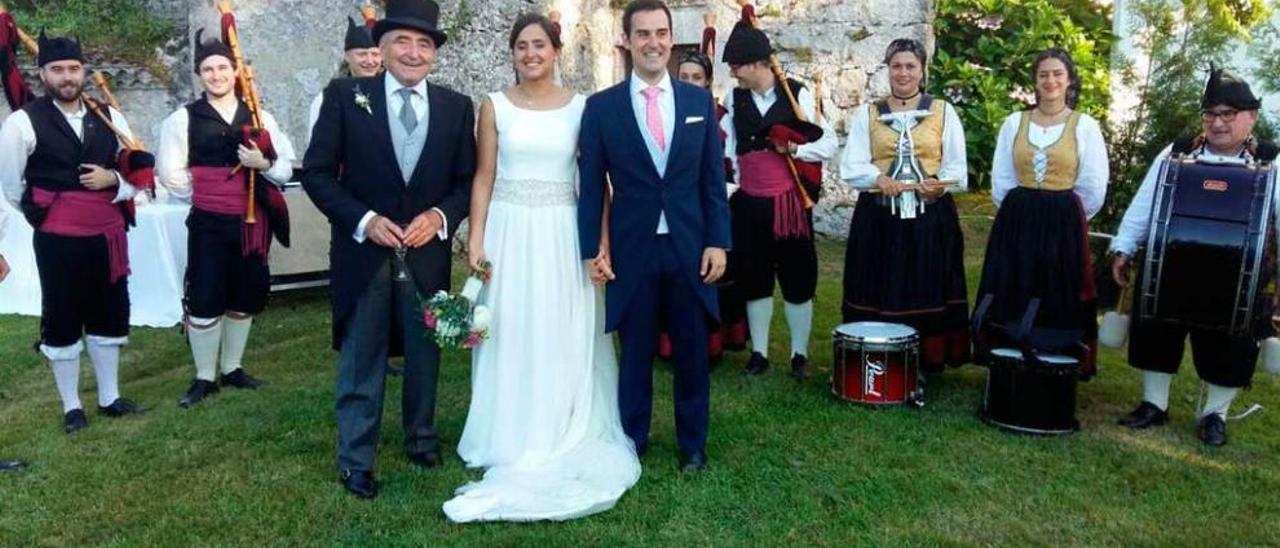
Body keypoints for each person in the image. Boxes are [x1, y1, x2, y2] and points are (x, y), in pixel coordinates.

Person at [442, 14, 640, 522]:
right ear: (513, 53)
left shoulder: (581, 108)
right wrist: (477, 240)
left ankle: (560, 425)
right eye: (522, 46)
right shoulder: (494, 107)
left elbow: (594, 184)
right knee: (511, 328)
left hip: (560, 231)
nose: (530, 54)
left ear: (555, 50)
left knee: (561, 327)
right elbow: (484, 178)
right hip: (509, 231)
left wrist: (600, 246)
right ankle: (507, 431)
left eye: (540, 45)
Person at [303, 0, 475, 499]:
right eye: (403, 40)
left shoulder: (455, 107)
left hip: (426, 254)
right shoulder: (344, 96)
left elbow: (466, 182)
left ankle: (421, 435)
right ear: (380, 47)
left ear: (434, 54)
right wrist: (364, 220)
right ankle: (356, 456)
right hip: (364, 254)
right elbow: (316, 173)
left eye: (424, 43)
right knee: (363, 353)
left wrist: (439, 218)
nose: (413, 52)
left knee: (424, 352)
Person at [578, 0, 731, 472]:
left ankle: (693, 445)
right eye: (642, 33)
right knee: (637, 349)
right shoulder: (601, 108)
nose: (653, 42)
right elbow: (592, 188)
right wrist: (591, 248)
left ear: (671, 38)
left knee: (691, 351)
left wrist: (718, 241)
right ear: (626, 40)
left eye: (661, 33)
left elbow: (711, 180)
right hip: (632, 248)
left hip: (689, 245)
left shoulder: (697, 101)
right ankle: (633, 439)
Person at [1111, 68, 1273, 447]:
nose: (1217, 123)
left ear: (1251, 117)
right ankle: (1153, 404)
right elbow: (1144, 203)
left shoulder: (1271, 162)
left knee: (1231, 344)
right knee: (1156, 329)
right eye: (1210, 114)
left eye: (1227, 115)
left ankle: (1215, 414)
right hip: (1170, 267)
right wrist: (1123, 246)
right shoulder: (1177, 153)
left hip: (1240, 279)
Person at [0, 32, 146, 433]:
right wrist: (51, 214)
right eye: (58, 69)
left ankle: (109, 397)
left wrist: (113, 179)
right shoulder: (22, 122)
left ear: (84, 71)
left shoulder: (108, 116)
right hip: (58, 237)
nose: (67, 77)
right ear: (42, 74)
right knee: (62, 316)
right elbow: (11, 186)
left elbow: (137, 172)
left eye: (74, 69)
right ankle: (71, 406)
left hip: (106, 235)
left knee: (109, 312)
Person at [156, 30, 297, 408]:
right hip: (208, 221)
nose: (216, 75)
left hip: (253, 225)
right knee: (205, 296)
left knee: (245, 293)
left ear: (235, 71)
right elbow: (169, 173)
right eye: (208, 69)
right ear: (199, 75)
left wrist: (262, 164)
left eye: (222, 67)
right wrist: (210, 189)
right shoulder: (182, 119)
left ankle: (232, 367)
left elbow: (284, 168)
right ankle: (205, 376)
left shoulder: (259, 114)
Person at [973, 47, 1108, 376]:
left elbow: (1093, 184)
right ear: (1035, 80)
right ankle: (1007, 358)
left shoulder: (1084, 126)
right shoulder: (1013, 122)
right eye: (1044, 74)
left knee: (1056, 288)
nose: (1050, 81)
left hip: (1062, 222)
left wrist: (1066, 217)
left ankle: (1052, 358)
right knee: (1012, 283)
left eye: (1057, 74)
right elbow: (1002, 176)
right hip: (1017, 220)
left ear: (1069, 80)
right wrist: (1019, 212)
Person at [838, 38, 970, 374]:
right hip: (879, 216)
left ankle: (926, 358)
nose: (903, 73)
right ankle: (878, 354)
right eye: (896, 66)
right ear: (888, 69)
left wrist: (937, 186)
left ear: (922, 70)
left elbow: (956, 166)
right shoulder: (869, 113)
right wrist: (877, 178)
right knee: (879, 280)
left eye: (910, 66)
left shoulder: (942, 111)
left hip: (930, 216)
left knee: (926, 280)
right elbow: (852, 164)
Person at [720, 15, 837, 379]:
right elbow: (727, 149)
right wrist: (732, 189)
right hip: (749, 204)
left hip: (789, 204)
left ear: (757, 63)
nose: (734, 73)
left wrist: (795, 150)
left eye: (737, 66)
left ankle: (799, 355)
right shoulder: (733, 98)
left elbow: (828, 143)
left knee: (797, 277)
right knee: (754, 278)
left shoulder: (796, 93)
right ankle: (759, 353)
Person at [654, 49, 747, 361]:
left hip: (713, 203)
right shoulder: (664, 111)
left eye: (697, 77)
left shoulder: (723, 118)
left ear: (708, 83)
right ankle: (668, 343)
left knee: (706, 276)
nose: (691, 83)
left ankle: (709, 344)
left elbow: (730, 163)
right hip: (674, 210)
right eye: (684, 77)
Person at [306, 16, 382, 144]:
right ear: (347, 56)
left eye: (375, 54)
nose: (370, 61)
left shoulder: (390, 93)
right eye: (362, 54)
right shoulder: (326, 99)